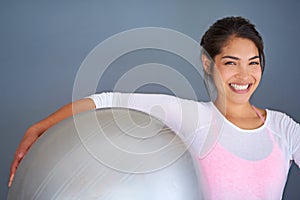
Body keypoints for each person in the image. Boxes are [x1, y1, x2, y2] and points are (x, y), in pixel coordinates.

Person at [9, 16, 300, 199]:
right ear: (208, 64)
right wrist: (37, 128)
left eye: (253, 63)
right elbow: (106, 101)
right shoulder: (190, 116)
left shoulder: (282, 128)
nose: (244, 76)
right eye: (230, 63)